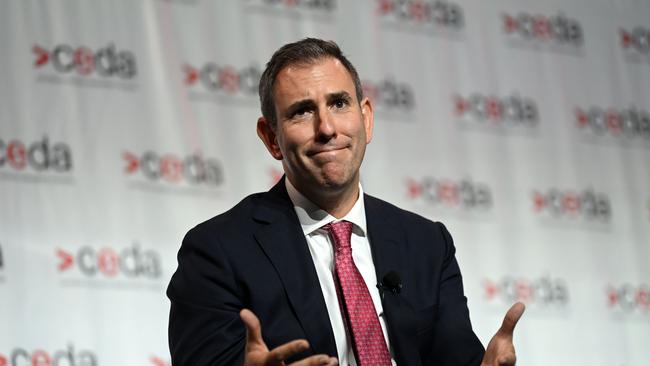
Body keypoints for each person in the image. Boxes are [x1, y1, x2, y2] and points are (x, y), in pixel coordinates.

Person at [167, 38, 524, 366]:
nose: (326, 128)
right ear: (271, 137)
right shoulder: (218, 251)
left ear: (366, 119)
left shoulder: (427, 243)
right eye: (302, 111)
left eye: (339, 103)